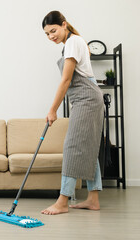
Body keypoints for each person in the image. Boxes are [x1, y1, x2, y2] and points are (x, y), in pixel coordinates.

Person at [41, 11, 104, 215]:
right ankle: (93, 199)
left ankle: (62, 201)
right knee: (88, 147)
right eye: (47, 34)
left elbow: (66, 80)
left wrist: (52, 110)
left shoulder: (73, 42)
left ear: (64, 25)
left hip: (87, 98)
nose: (51, 36)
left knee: (72, 146)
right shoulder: (71, 44)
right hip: (84, 99)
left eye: (53, 30)